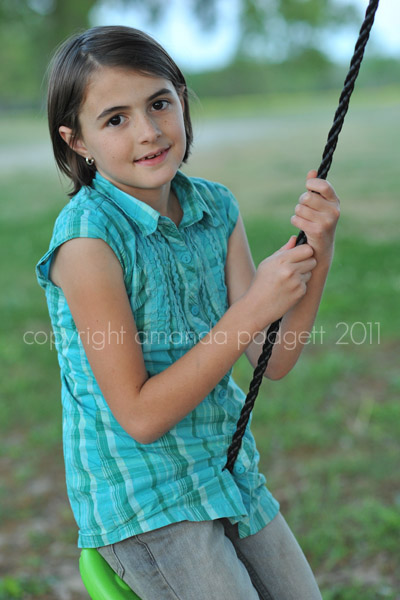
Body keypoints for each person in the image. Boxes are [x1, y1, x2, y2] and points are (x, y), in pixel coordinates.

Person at [36, 25, 340, 600]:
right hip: (146, 501)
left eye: (159, 104)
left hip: (226, 472)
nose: (148, 132)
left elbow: (272, 360)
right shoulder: (88, 241)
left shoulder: (215, 208)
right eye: (116, 119)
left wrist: (317, 254)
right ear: (77, 142)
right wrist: (251, 309)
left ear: (181, 98)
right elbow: (140, 416)